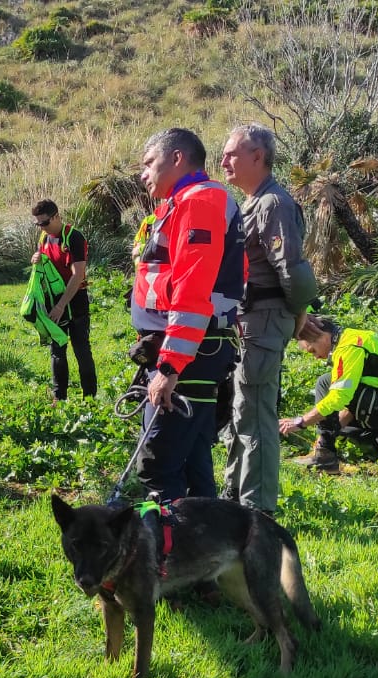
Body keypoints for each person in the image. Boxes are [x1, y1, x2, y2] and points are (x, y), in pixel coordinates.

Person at [131, 128, 246, 502]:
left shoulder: (199, 202)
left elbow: (192, 290)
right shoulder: (187, 202)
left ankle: (169, 553)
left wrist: (169, 368)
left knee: (158, 464)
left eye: (149, 163)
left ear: (177, 158)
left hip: (191, 354)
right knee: (194, 461)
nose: (143, 174)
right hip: (197, 350)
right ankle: (210, 546)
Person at [218, 124, 318, 515]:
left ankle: (257, 509)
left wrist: (298, 313)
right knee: (242, 411)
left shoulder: (274, 204)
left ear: (258, 156)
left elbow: (291, 269)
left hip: (264, 320)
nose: (224, 161)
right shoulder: (252, 202)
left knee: (257, 415)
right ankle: (234, 497)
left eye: (232, 154)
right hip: (248, 322)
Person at [279, 315, 378, 471]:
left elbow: (340, 397)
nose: (317, 357)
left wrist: (300, 421)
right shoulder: (350, 337)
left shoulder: (349, 348)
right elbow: (352, 402)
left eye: (313, 350)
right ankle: (324, 454)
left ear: (323, 336)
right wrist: (328, 435)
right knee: (328, 384)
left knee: (327, 383)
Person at [30, 199, 97, 401]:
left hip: (75, 299)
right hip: (53, 300)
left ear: (57, 216)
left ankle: (90, 399)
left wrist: (62, 306)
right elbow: (45, 266)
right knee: (57, 350)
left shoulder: (74, 237)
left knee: (81, 349)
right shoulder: (44, 238)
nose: (42, 227)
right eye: (38, 224)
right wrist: (36, 258)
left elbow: (78, 276)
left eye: (45, 223)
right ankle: (59, 399)